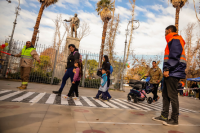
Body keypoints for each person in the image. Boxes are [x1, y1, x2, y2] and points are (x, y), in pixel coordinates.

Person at [152, 25, 187, 126]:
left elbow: (174, 56)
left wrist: (167, 69)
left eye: (165, 31)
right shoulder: (172, 40)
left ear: (169, 30)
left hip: (173, 72)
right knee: (166, 95)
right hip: (171, 71)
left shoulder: (175, 39)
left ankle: (174, 119)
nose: (165, 33)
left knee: (172, 96)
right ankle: (164, 115)